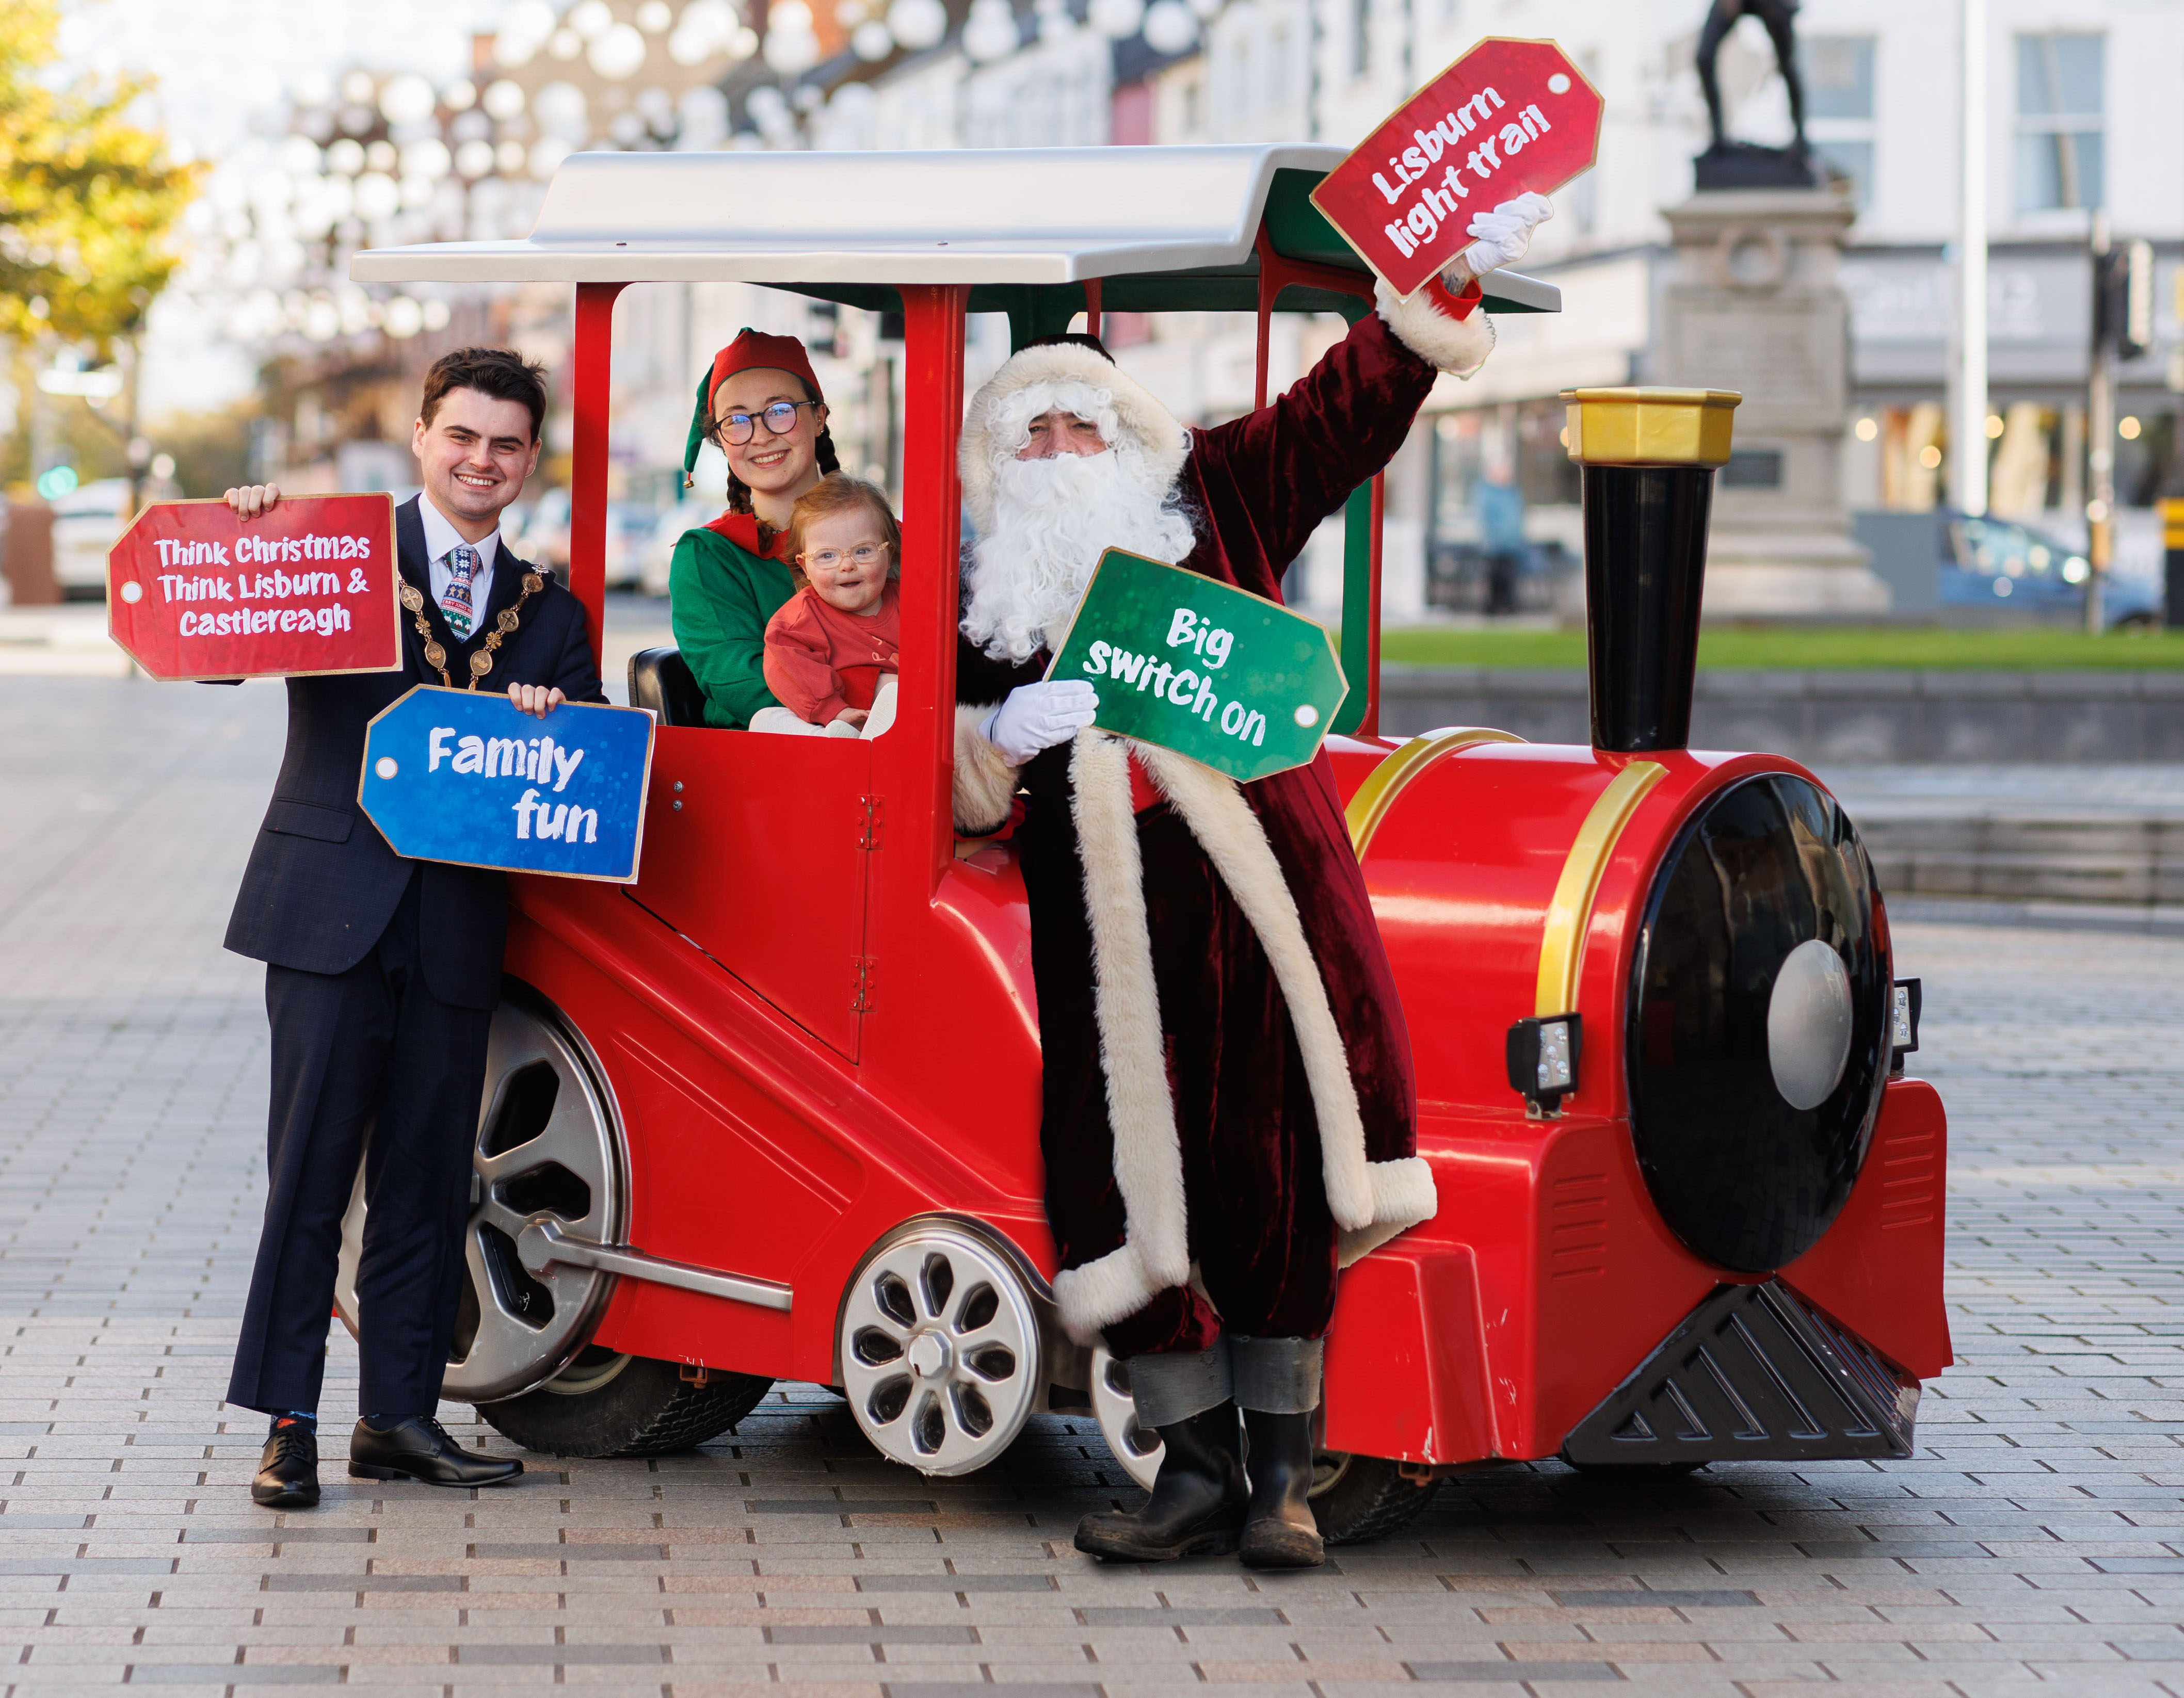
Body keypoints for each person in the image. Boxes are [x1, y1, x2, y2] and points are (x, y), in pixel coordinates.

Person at [949, 194, 1551, 1568]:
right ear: (1002, 458)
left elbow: (1344, 406)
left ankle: (1282, 1479)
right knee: (1113, 1172)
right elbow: (939, 762)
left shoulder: (1217, 490)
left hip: (1252, 888)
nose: (1056, 449)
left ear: (1127, 435)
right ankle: (1189, 1472)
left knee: (1267, 1160)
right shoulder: (989, 595)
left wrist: (1435, 288)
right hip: (1101, 913)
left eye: (1078, 425)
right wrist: (996, 738)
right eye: (1028, 432)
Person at [220, 348, 605, 1512]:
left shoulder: (551, 614)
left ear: (530, 462)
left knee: (430, 1184)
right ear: (422, 437)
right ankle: (287, 1421)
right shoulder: (327, 554)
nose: (480, 461)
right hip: (328, 909)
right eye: (462, 437)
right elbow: (216, 649)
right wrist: (246, 540)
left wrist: (556, 719)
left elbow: (579, 781)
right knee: (310, 1178)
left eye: (505, 444)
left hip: (452, 925)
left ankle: (397, 1416)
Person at [666, 328, 842, 731]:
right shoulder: (708, 556)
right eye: (737, 421)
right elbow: (739, 679)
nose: (761, 435)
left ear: (818, 417)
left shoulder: (891, 538)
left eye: (780, 410)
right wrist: (862, 708)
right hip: (766, 769)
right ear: (721, 441)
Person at [762, 473, 902, 736]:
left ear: (888, 553)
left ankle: (856, 748)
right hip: (827, 722)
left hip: (895, 726)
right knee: (765, 719)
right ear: (805, 566)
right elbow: (784, 670)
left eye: (863, 551)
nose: (847, 565)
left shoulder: (912, 603)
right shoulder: (799, 620)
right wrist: (833, 711)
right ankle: (832, 741)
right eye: (827, 556)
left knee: (897, 695)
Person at [1476, 455, 1527, 616]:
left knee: (1509, 578)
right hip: (1495, 545)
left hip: (1512, 544)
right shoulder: (1487, 493)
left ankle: (1508, 607)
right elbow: (1486, 519)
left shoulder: (1512, 492)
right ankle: (1492, 608)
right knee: (1495, 578)